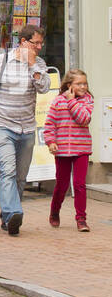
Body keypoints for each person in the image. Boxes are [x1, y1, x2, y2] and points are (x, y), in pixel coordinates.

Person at [0, 25, 50, 236]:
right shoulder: (1, 62)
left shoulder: (39, 64)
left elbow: (44, 88)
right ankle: (14, 211)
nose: (39, 47)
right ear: (23, 41)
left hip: (27, 127)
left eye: (41, 43)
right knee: (8, 170)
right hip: (2, 125)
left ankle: (8, 216)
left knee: (21, 177)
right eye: (36, 43)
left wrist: (33, 65)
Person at [44, 69, 93, 233]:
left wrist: (72, 101)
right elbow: (50, 124)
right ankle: (55, 211)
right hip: (62, 150)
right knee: (62, 185)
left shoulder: (87, 100)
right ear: (69, 85)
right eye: (79, 83)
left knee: (79, 185)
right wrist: (51, 142)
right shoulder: (58, 101)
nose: (83, 86)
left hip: (82, 149)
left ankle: (81, 219)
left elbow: (84, 118)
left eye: (85, 83)